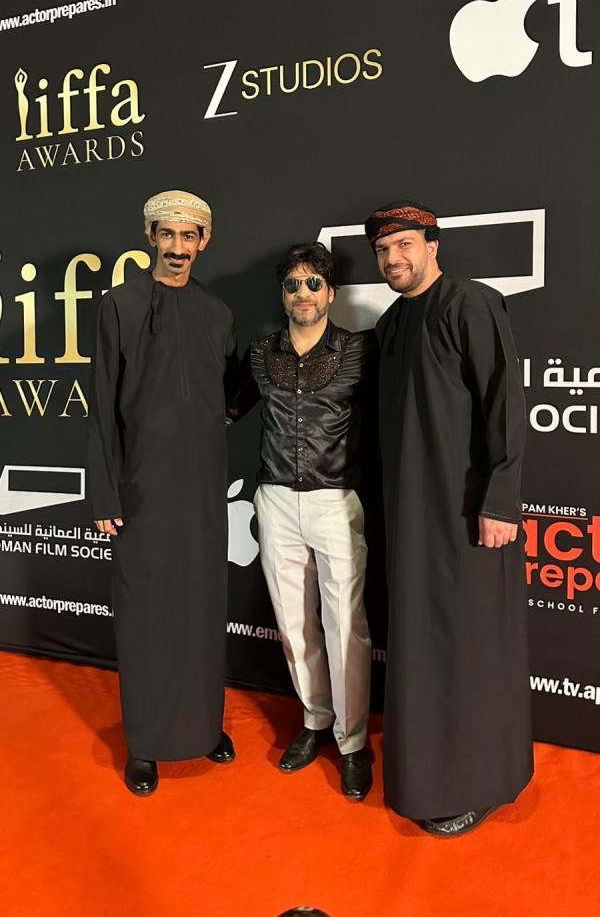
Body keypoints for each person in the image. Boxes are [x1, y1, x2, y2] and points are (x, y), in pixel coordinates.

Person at [365, 201, 533, 837]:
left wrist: (500, 502)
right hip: (411, 520)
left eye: (404, 245)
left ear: (432, 246)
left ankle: (481, 783)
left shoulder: (472, 304)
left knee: (470, 646)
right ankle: (429, 776)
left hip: (468, 515)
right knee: (423, 648)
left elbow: (505, 405)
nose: (393, 259)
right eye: (383, 250)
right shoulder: (391, 323)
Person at [88, 190, 237, 796]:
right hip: (141, 488)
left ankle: (204, 726)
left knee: (200, 607)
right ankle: (146, 742)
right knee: (148, 614)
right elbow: (102, 406)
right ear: (150, 237)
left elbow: (224, 394)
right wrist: (105, 495)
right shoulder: (118, 305)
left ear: (204, 242)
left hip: (201, 490)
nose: (178, 247)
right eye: (168, 234)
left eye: (189, 236)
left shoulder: (218, 312)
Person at [229, 243, 374, 800]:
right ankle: (315, 720)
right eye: (293, 284)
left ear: (331, 293)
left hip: (336, 500)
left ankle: (353, 741)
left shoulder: (358, 351)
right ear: (282, 294)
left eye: (314, 283)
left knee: (345, 626)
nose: (303, 293)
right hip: (274, 500)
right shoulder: (261, 352)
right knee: (293, 625)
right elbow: (225, 408)